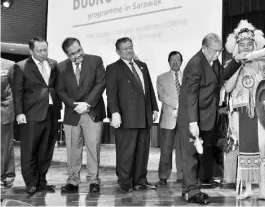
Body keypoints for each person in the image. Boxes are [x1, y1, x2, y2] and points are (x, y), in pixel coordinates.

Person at [177, 33, 247, 204]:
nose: (217, 55)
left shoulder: (212, 60)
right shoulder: (195, 64)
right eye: (214, 51)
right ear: (204, 48)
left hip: (207, 115)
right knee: (190, 156)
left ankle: (190, 189)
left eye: (220, 51)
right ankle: (192, 192)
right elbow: (190, 96)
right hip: (192, 117)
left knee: (197, 156)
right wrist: (193, 123)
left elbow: (222, 75)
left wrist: (237, 61)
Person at [224, 20, 265, 202]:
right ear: (236, 46)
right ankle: (248, 189)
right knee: (245, 150)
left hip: (260, 110)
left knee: (261, 149)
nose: (246, 47)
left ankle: (263, 189)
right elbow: (229, 87)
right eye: (242, 44)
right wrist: (237, 64)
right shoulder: (232, 64)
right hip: (240, 111)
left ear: (256, 44)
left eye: (249, 44)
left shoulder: (264, 61)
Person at [106, 37, 159, 192]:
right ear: (117, 51)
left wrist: (154, 107)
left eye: (130, 47)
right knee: (126, 152)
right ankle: (125, 182)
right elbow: (111, 93)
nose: (129, 51)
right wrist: (114, 112)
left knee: (142, 151)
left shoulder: (142, 66)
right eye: (125, 48)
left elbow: (148, 89)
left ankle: (140, 181)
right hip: (125, 116)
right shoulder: (113, 68)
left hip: (144, 115)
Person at [12, 37, 61, 194]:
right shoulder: (21, 66)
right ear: (31, 51)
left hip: (51, 113)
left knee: (46, 150)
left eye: (45, 49)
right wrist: (19, 113)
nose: (43, 53)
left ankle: (42, 181)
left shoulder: (53, 64)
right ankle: (31, 182)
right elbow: (18, 92)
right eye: (39, 50)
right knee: (30, 150)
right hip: (31, 114)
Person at [57, 37, 106, 193]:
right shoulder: (61, 67)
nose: (78, 54)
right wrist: (74, 105)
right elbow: (60, 90)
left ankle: (93, 180)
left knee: (93, 147)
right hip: (73, 113)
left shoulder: (95, 61)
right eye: (73, 53)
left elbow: (100, 84)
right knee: (72, 149)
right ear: (67, 55)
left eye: (79, 50)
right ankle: (72, 180)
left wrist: (87, 103)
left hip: (92, 112)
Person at [157, 51, 183, 185]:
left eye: (177, 59)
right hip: (168, 119)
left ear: (181, 61)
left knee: (183, 149)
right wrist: (178, 105)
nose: (175, 62)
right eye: (172, 60)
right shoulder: (161, 77)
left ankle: (181, 175)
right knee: (166, 150)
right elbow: (162, 96)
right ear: (168, 62)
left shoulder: (188, 77)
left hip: (184, 119)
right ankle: (163, 175)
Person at [1, 58, 16, 188]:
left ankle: (6, 175)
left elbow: (14, 90)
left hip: (3, 110)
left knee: (5, 144)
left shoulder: (9, 65)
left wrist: (7, 106)